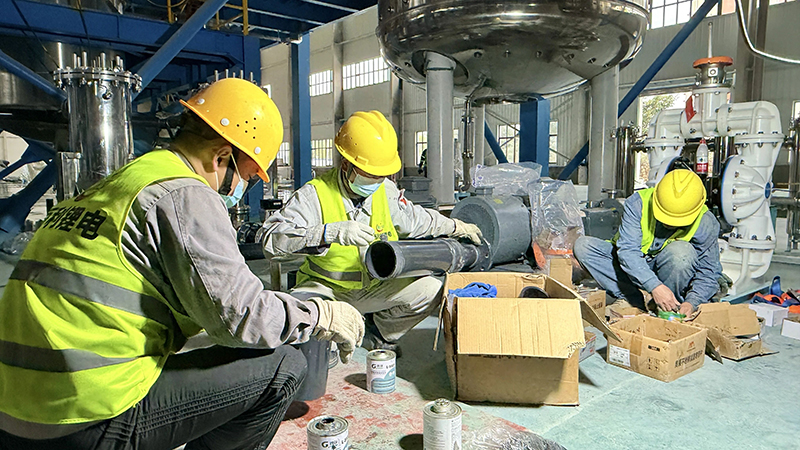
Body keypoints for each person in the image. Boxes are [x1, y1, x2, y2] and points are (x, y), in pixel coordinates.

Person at [0, 78, 364, 450]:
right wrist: (321, 316)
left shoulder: (126, 181)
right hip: (85, 416)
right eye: (248, 177)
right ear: (221, 157)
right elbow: (243, 316)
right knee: (284, 367)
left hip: (16, 409)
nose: (243, 187)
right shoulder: (184, 192)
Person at [260, 110, 482, 355]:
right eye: (370, 175)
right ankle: (332, 338)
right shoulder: (313, 195)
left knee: (432, 291)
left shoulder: (384, 190)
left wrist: (455, 226)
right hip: (327, 290)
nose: (376, 181)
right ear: (346, 164)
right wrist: (326, 233)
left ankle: (379, 333)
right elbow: (271, 240)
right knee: (300, 317)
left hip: (376, 288)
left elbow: (416, 219)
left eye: (381, 175)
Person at [574, 169, 721, 316]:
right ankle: (635, 299)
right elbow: (628, 251)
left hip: (668, 270)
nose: (668, 224)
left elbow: (709, 271)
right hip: (633, 266)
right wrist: (654, 286)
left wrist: (692, 302)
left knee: (681, 254)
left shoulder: (706, 222)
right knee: (583, 247)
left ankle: (670, 306)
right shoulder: (638, 203)